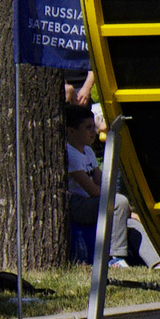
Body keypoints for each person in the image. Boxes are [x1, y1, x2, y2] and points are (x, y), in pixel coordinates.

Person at [62, 103, 102, 264]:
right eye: (88, 127)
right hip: (76, 204)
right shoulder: (70, 154)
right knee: (118, 203)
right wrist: (113, 198)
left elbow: (102, 183)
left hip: (90, 202)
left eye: (93, 126)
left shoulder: (88, 151)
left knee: (132, 221)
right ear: (71, 131)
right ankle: (113, 256)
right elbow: (94, 191)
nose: (93, 131)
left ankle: (157, 263)